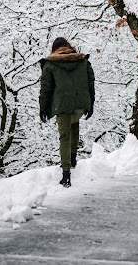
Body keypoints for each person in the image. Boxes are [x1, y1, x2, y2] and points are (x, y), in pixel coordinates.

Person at [39, 37, 95, 188]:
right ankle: (73, 158)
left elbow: (46, 88)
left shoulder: (51, 64)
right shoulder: (83, 62)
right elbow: (91, 83)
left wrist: (43, 108)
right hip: (80, 104)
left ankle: (66, 174)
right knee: (74, 124)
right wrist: (90, 104)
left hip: (62, 105)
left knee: (64, 136)